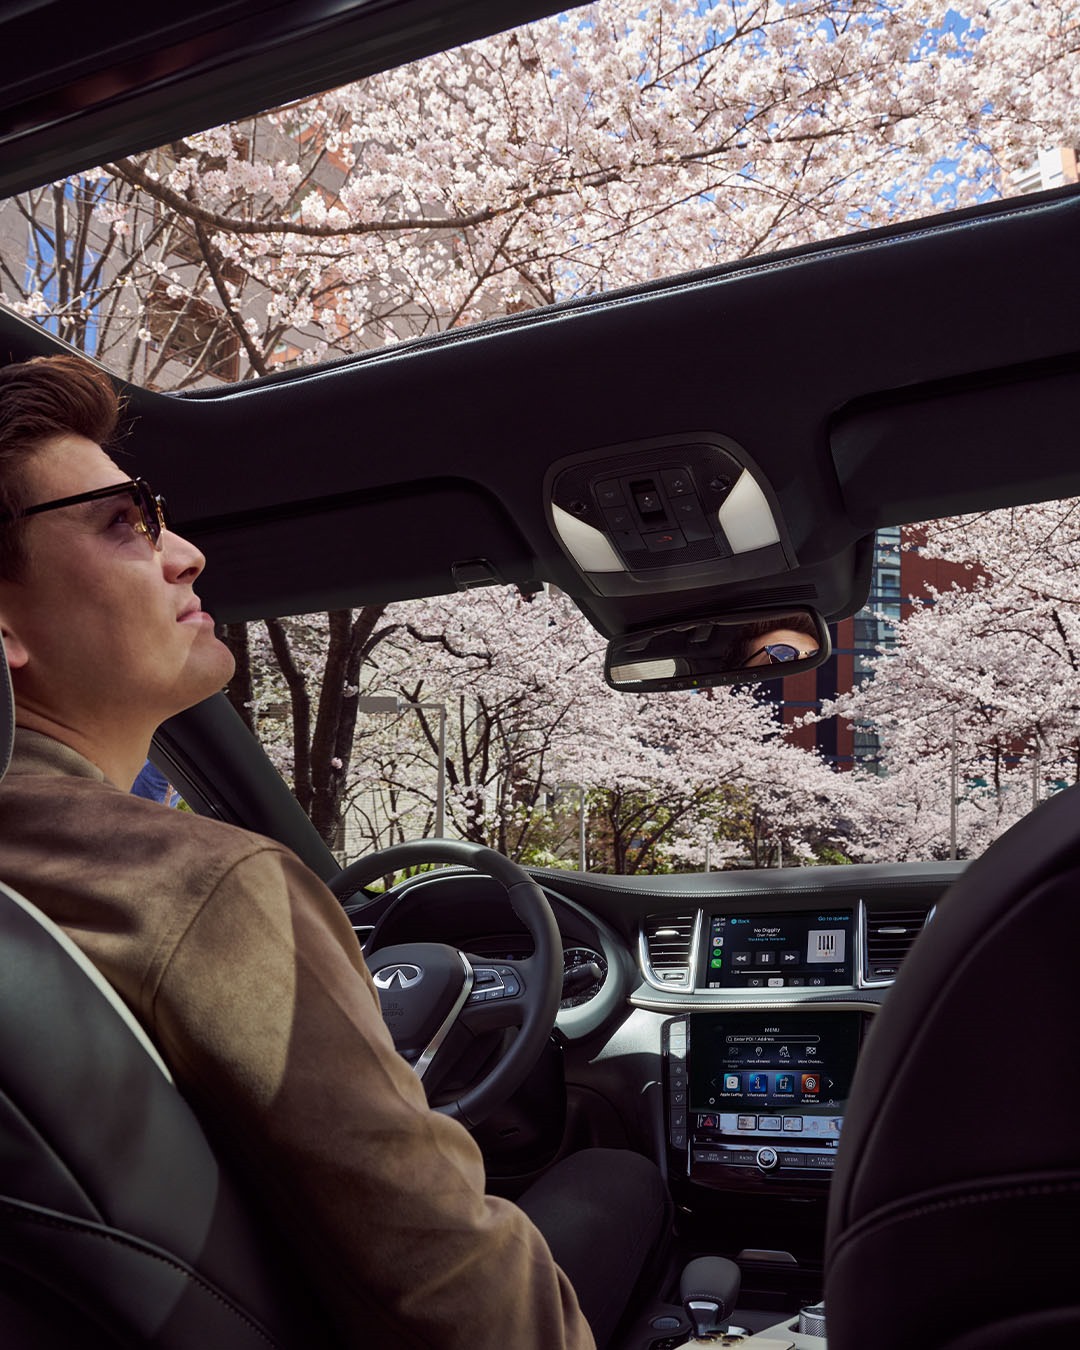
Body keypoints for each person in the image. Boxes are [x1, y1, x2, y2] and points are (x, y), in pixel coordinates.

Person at [0, 355, 668, 1349]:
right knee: (619, 1178)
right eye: (121, 522)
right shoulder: (210, 888)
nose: (185, 554)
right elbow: (459, 1295)